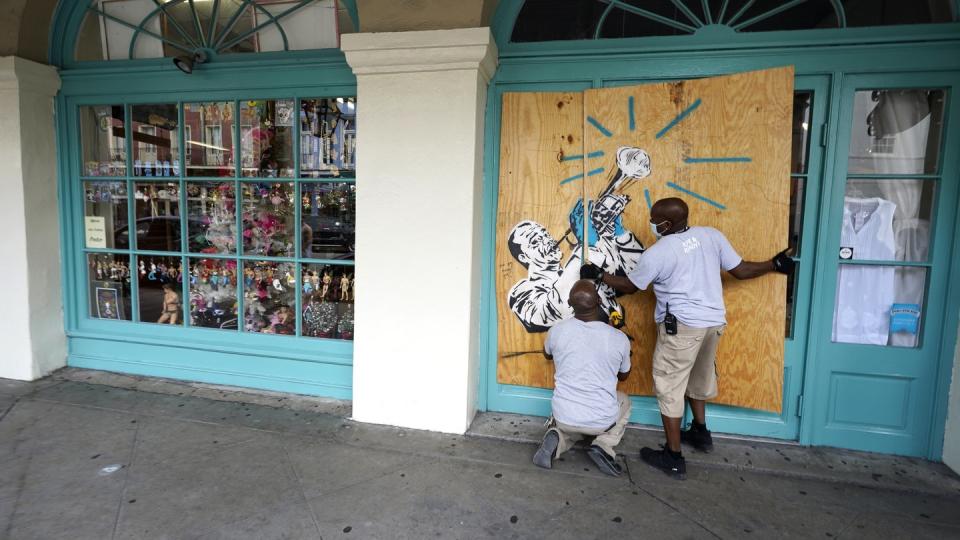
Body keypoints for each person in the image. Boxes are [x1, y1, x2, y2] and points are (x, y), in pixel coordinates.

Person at [581, 197, 794, 480]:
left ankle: (673, 456)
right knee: (698, 378)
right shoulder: (711, 236)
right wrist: (773, 264)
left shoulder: (658, 253)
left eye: (655, 220)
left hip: (681, 328)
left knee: (670, 387)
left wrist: (600, 275)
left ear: (667, 224)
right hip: (713, 324)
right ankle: (700, 433)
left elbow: (631, 286)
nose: (652, 224)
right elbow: (741, 271)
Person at [532, 280, 632, 477]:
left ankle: (557, 437)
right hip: (600, 419)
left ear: (569, 303)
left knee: (571, 426)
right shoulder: (618, 338)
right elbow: (624, 375)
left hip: (563, 415)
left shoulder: (556, 331)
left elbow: (547, 355)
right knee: (625, 401)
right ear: (598, 300)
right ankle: (603, 445)